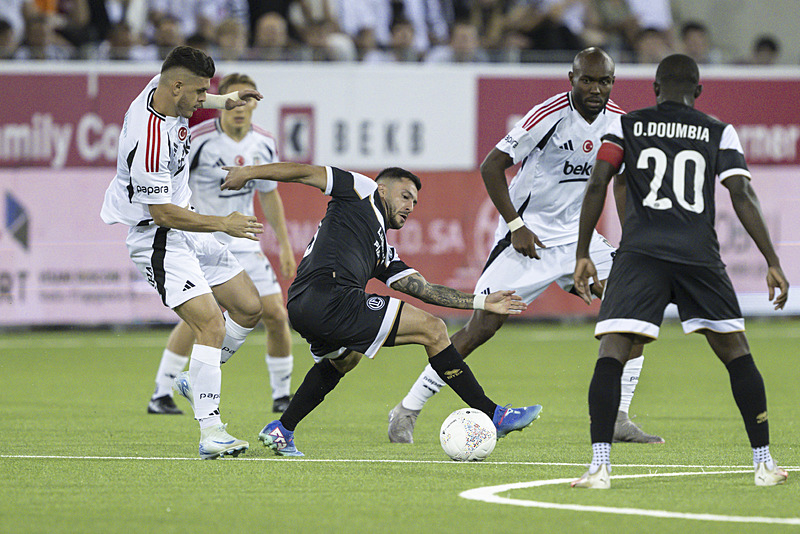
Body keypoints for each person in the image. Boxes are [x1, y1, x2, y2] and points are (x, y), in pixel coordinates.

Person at [388, 47, 662, 445]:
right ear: (571, 78)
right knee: (482, 326)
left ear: (612, 83)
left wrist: (631, 236)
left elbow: (619, 181)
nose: (595, 88)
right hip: (527, 238)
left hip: (576, 239)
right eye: (587, 79)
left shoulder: (619, 123)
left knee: (635, 305)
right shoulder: (548, 115)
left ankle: (618, 417)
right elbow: (491, 165)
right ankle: (407, 409)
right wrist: (516, 224)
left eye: (603, 81)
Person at [571, 54, 789, 489]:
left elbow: (599, 183)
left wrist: (582, 253)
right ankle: (764, 464)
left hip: (641, 253)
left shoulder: (625, 125)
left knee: (612, 352)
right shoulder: (717, 130)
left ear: (654, 88)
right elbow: (741, 192)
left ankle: (599, 468)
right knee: (737, 354)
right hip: (698, 255)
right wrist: (772, 260)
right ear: (698, 91)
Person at [220, 162, 543, 457]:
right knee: (434, 330)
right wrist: (250, 172)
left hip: (304, 305)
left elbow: (425, 289)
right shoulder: (362, 190)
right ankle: (494, 414)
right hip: (329, 296)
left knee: (346, 359)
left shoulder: (382, 249)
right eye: (405, 196)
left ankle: (283, 429)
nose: (409, 207)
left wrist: (482, 301)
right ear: (383, 189)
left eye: (414, 203)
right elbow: (306, 173)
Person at [100, 46, 265, 460]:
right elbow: (161, 213)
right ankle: (212, 431)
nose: (200, 101)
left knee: (248, 306)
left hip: (185, 220)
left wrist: (224, 100)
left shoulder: (163, 91)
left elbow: (186, 89)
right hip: (157, 234)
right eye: (198, 93)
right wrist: (223, 223)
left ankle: (197, 377)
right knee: (209, 324)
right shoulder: (148, 138)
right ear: (176, 88)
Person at [146, 72, 297, 417]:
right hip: (202, 238)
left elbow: (269, 195)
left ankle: (281, 395)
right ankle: (161, 392)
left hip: (243, 238)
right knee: (200, 318)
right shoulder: (197, 139)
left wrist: (285, 244)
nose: (240, 109)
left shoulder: (264, 143)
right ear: (220, 104)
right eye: (234, 101)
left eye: (248, 102)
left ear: (255, 106)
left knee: (275, 314)